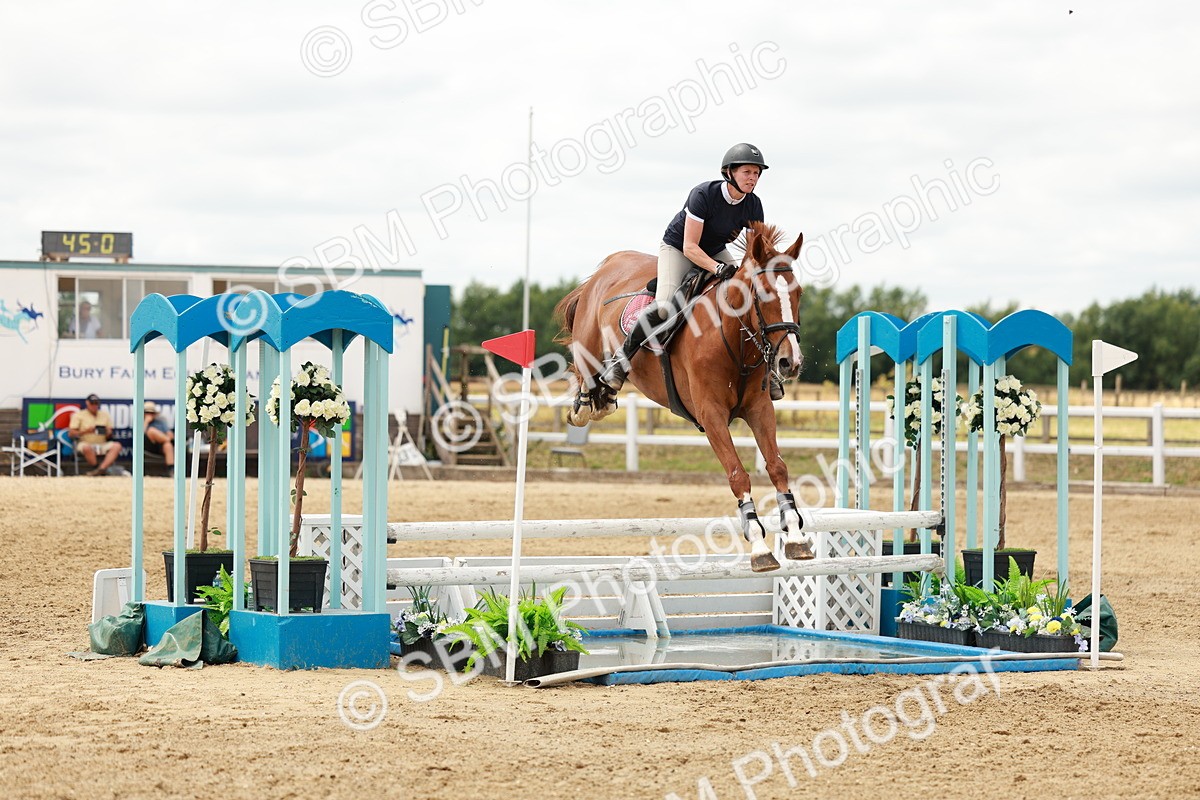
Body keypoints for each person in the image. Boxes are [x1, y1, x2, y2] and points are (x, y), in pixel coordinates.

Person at [600, 143, 768, 391]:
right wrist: (717, 269)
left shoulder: (753, 204)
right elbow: (690, 247)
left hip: (714, 249)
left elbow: (754, 253)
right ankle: (620, 360)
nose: (752, 178)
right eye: (747, 172)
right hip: (678, 248)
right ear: (729, 172)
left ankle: (768, 368)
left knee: (750, 295)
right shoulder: (704, 195)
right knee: (666, 306)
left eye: (756, 173)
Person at [69, 393, 124, 476]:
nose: (94, 406)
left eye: (96, 404)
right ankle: (96, 468)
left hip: (102, 443)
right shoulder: (79, 415)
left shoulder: (105, 415)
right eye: (92, 403)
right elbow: (71, 433)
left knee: (117, 446)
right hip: (85, 443)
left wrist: (107, 432)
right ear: (87, 403)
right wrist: (86, 431)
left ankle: (101, 469)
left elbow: (110, 434)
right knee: (86, 447)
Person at [143, 401, 175, 472]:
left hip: (161, 445)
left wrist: (168, 436)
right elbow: (139, 435)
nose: (149, 415)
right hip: (147, 445)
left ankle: (171, 469)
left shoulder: (161, 421)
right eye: (147, 413)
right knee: (151, 430)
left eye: (151, 413)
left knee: (168, 445)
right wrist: (146, 422)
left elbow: (169, 433)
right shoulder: (139, 421)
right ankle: (168, 440)